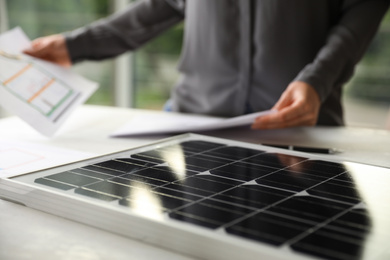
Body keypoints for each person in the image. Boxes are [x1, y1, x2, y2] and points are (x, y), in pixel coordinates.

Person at [24, 0, 389, 129]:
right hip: (191, 122)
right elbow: (164, 5)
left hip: (301, 130)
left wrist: (318, 79)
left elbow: (364, 7)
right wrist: (77, 44)